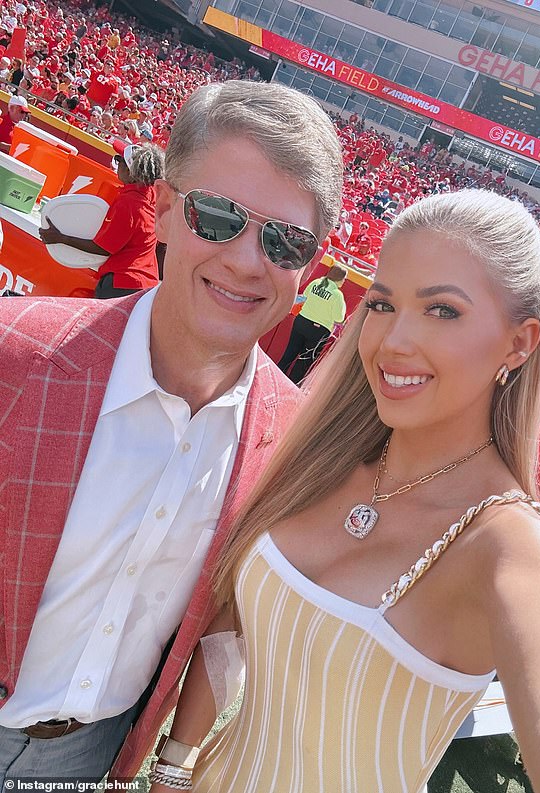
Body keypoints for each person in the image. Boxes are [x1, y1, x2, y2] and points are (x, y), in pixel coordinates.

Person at [160, 191, 540, 793]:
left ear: (519, 343)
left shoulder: (513, 548)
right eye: (383, 304)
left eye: (442, 311)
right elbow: (230, 622)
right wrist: (172, 767)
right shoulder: (318, 461)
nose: (393, 342)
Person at [0, 80, 342, 784]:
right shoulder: (14, 349)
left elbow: (228, 620)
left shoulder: (293, 443)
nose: (246, 260)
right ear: (161, 211)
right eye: (217, 216)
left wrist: (175, 764)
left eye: (284, 241)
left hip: (86, 754)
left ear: (309, 267)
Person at [39, 142, 164, 298]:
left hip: (123, 283)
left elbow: (104, 248)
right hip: (145, 283)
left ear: (130, 171)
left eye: (119, 160)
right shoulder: (151, 195)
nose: (116, 164)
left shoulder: (130, 203)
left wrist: (61, 238)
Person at [277, 264, 347, 384]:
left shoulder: (316, 282)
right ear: (340, 278)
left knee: (289, 353)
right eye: (344, 279)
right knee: (304, 362)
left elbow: (305, 296)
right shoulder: (337, 294)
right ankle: (291, 386)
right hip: (318, 331)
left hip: (301, 322)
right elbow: (339, 318)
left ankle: (275, 378)